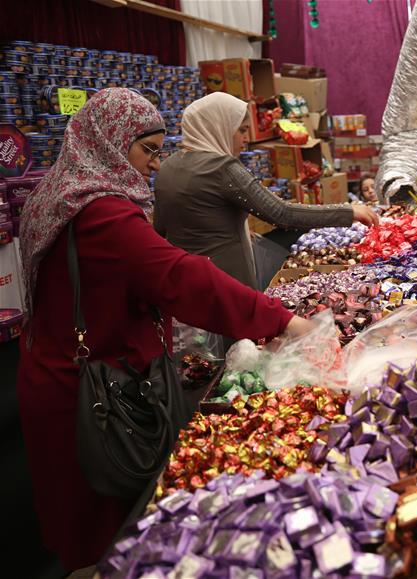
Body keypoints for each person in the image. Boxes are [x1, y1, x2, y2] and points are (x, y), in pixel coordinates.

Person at [16, 88, 319, 571]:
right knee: (106, 535)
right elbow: (177, 276)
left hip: (60, 369)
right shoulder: (102, 213)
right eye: (148, 150)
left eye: (160, 150)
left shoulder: (60, 191)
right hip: (90, 392)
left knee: (87, 520)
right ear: (111, 142)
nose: (156, 165)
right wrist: (281, 319)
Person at [154, 92, 378, 291]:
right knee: (233, 338)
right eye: (241, 130)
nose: (246, 139)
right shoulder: (222, 168)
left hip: (183, 281)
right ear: (219, 127)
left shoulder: (167, 167)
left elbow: (162, 228)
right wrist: (347, 212)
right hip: (225, 281)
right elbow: (282, 214)